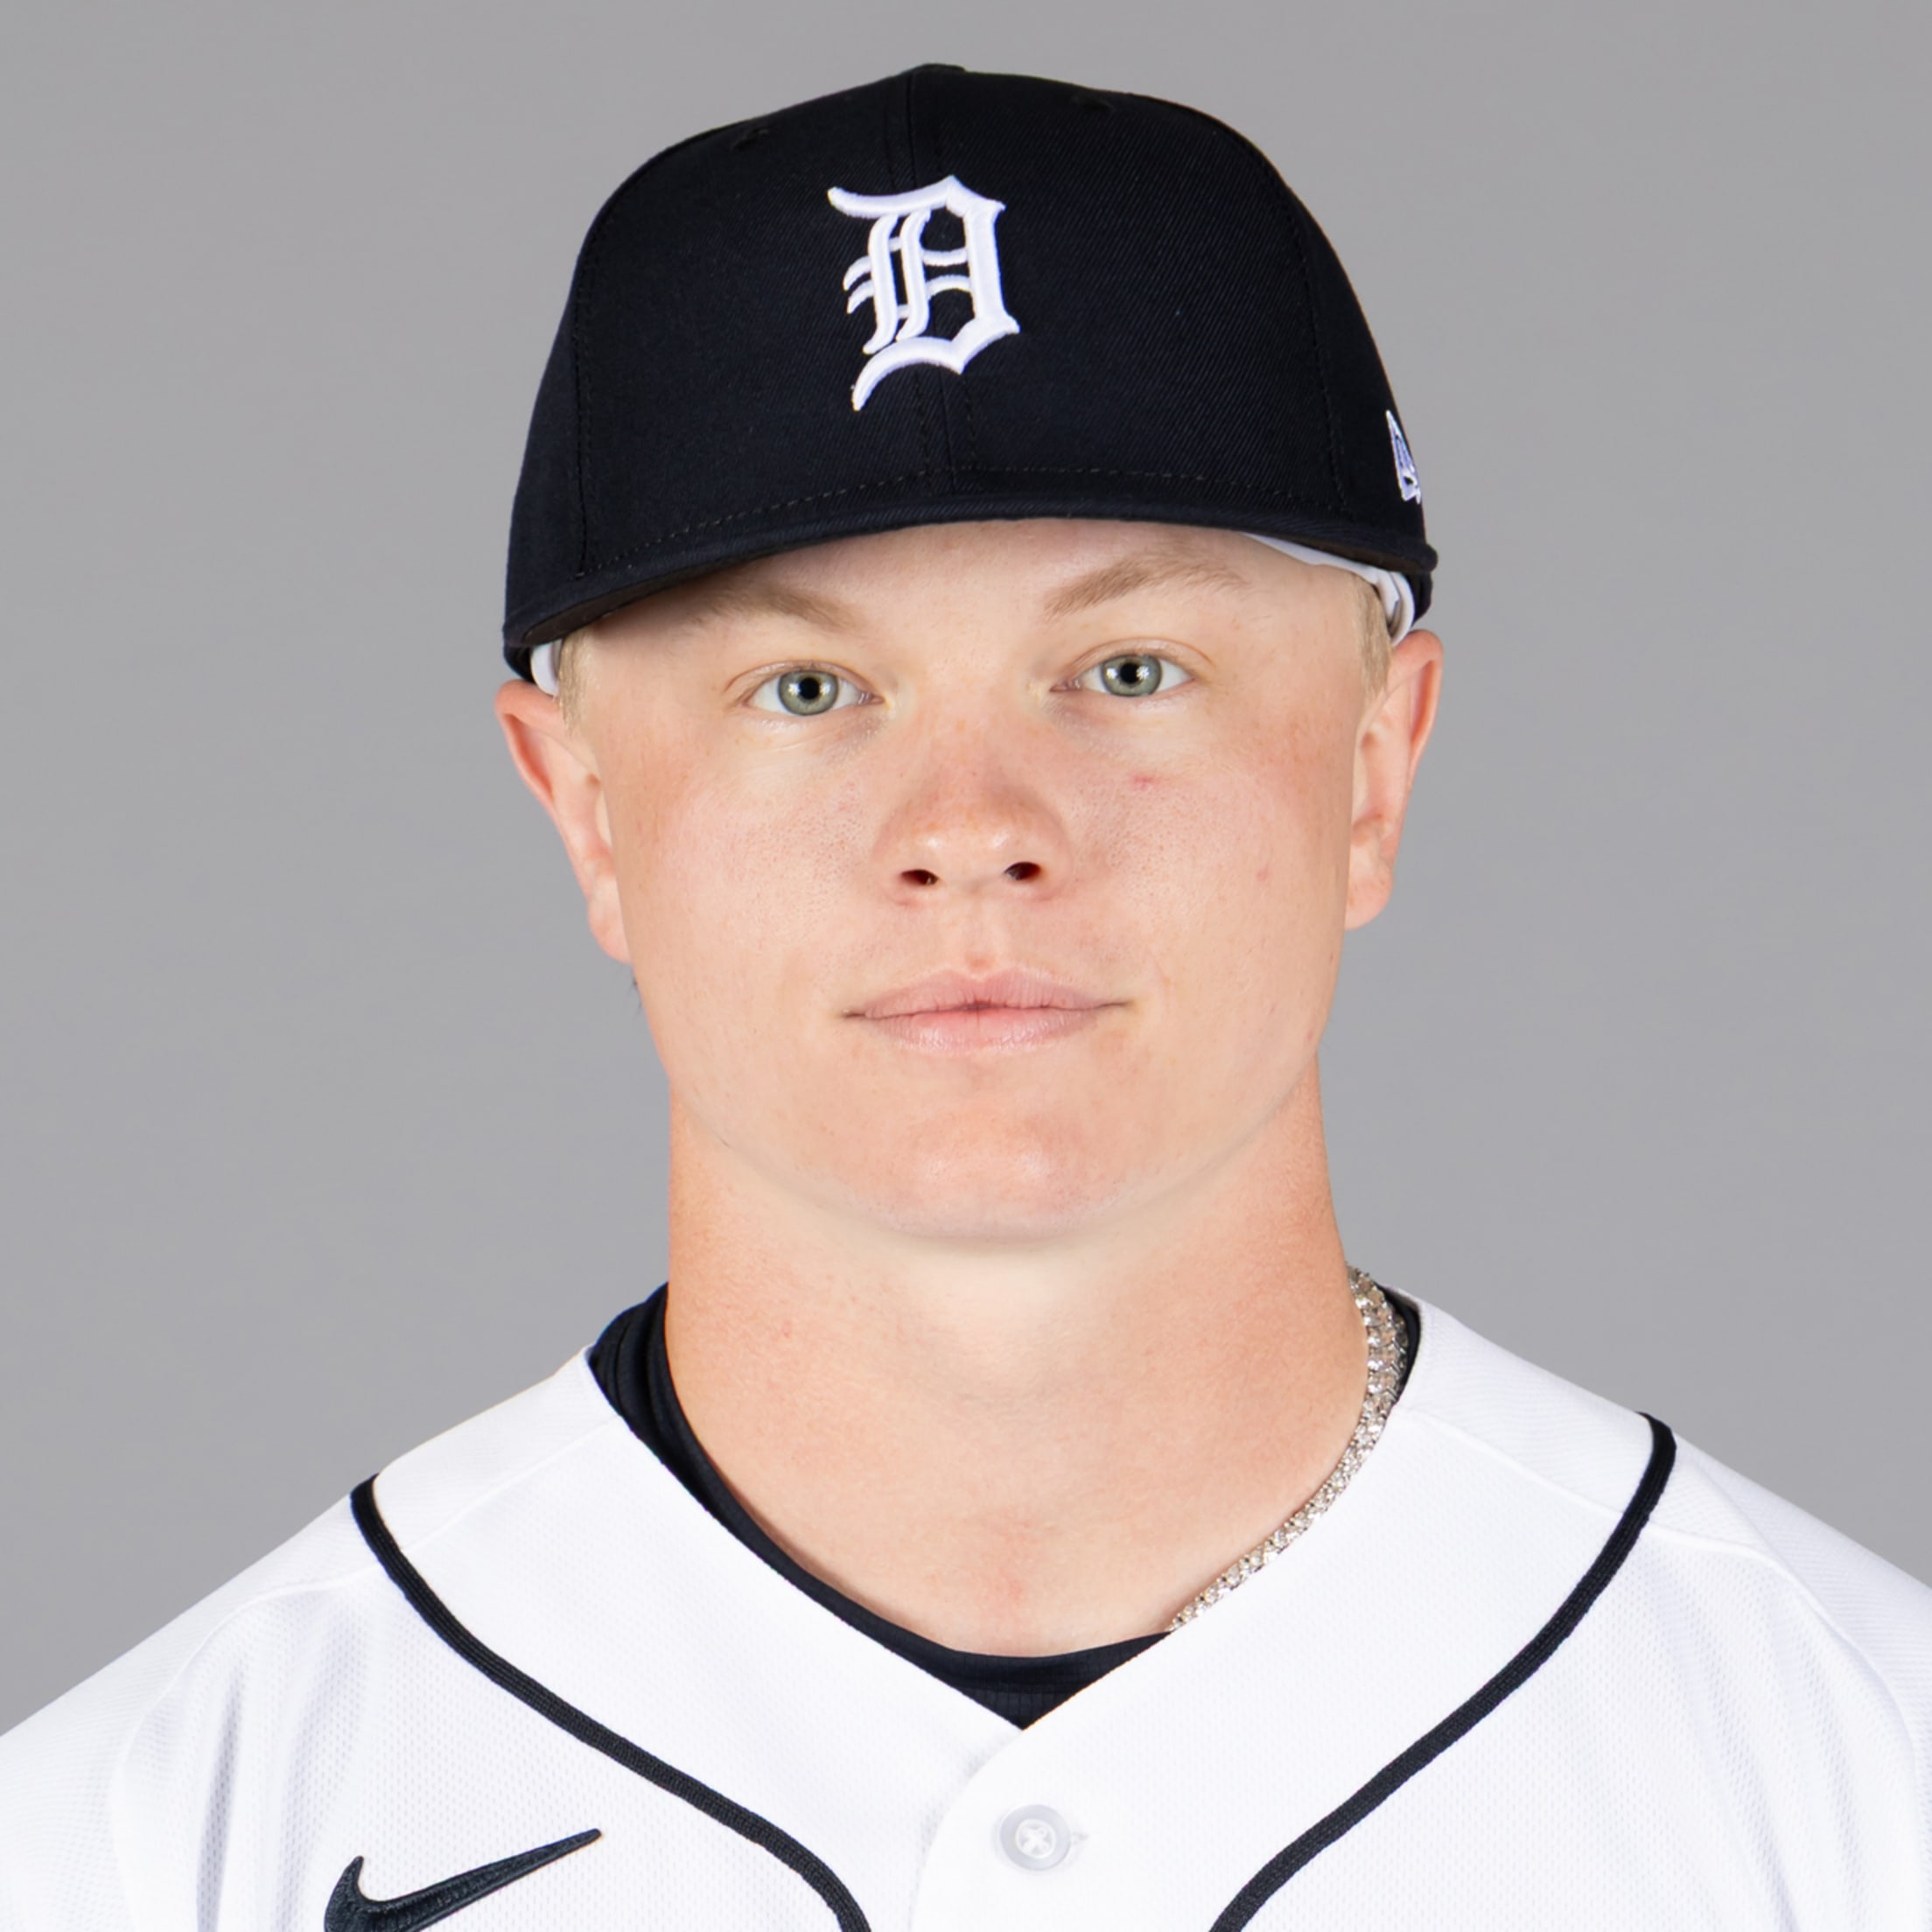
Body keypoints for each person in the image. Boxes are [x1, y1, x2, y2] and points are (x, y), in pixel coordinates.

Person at [3, 62, 1928, 1931]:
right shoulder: (138, 1845)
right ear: (585, 807)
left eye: (1132, 671)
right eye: (806, 691)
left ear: (1372, 766)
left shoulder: (1865, 1779)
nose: (974, 829)